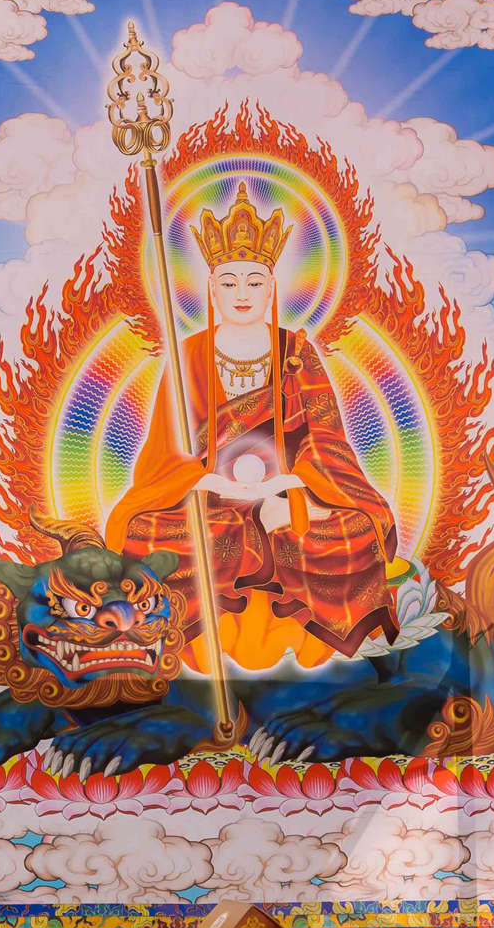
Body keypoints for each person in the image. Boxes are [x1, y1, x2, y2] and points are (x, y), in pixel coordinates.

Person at [105, 182, 399, 672]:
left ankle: (301, 639)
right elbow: (166, 454)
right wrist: (207, 483)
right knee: (144, 534)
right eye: (229, 283)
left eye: (254, 282)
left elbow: (326, 439)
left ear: (272, 287)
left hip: (289, 490)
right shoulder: (189, 356)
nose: (242, 294)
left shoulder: (296, 352)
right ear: (211, 288)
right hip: (209, 496)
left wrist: (294, 491)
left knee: (353, 532)